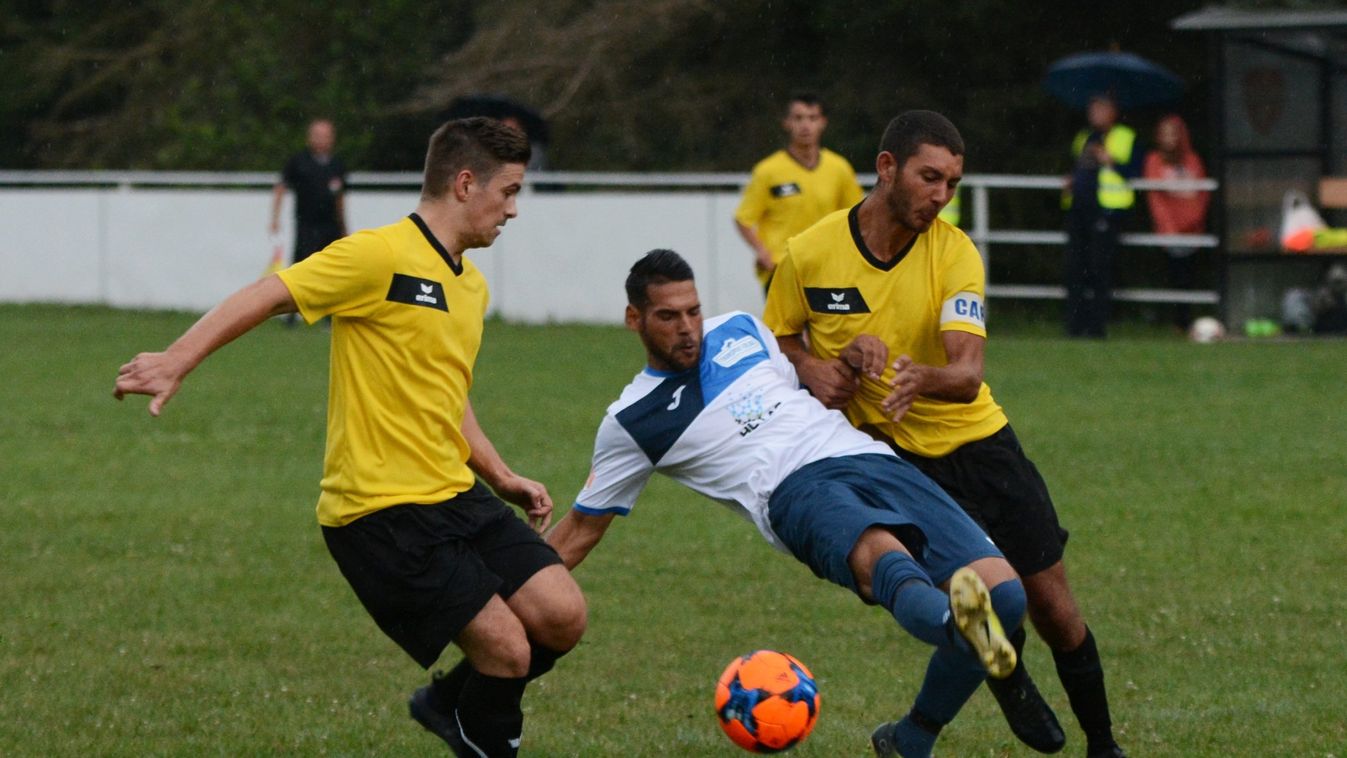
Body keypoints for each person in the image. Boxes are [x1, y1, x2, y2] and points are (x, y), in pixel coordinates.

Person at [115, 118, 586, 758]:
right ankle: (483, 736)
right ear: (466, 183)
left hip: (454, 495)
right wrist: (176, 359)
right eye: (508, 192)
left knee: (561, 616)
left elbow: (445, 393)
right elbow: (268, 293)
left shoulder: (469, 287)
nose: (513, 210)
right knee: (505, 649)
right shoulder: (379, 255)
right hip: (379, 510)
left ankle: (446, 705)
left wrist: (499, 474)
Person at [549, 249, 1035, 758]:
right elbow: (581, 529)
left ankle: (911, 738)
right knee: (883, 555)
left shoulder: (741, 328)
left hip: (867, 457)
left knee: (1005, 597)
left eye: (692, 310)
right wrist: (519, 588)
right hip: (791, 491)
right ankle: (955, 626)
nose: (688, 328)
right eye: (668, 317)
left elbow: (811, 390)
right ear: (635, 320)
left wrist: (849, 358)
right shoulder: (633, 419)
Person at [763, 110, 1124, 758]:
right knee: (967, 595)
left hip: (979, 448)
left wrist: (920, 377)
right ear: (885, 168)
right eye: (930, 178)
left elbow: (966, 372)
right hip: (896, 464)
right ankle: (984, 686)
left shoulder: (953, 251)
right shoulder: (810, 253)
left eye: (952, 184)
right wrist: (812, 365)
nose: (940, 195)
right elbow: (779, 339)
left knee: (1053, 607)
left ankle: (1102, 744)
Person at [734, 91, 863, 293]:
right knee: (785, 327)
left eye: (812, 118)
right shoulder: (768, 170)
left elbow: (856, 216)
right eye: (798, 118)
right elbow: (743, 218)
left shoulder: (839, 168)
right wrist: (763, 253)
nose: (805, 125)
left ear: (823, 122)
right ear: (786, 123)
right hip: (782, 269)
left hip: (826, 271)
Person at [1062, 94, 1138, 339]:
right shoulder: (1084, 137)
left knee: (1099, 269)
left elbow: (1134, 172)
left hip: (1107, 209)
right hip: (1079, 209)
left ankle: (1097, 327)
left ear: (1113, 111)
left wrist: (1109, 160)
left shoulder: (1126, 137)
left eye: (1101, 108)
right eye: (1092, 107)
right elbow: (1078, 167)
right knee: (1075, 268)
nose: (1094, 112)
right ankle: (1075, 327)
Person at [270, 119, 349, 324]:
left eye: (326, 135)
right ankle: (290, 315)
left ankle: (328, 314)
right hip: (306, 224)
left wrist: (343, 226)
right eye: (318, 135)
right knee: (300, 267)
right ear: (309, 138)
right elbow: (280, 188)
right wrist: (275, 219)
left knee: (332, 269)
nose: (322, 140)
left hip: (330, 225)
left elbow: (340, 197)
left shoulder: (337, 164)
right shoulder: (298, 162)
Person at [1143, 114, 1210, 330]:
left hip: (1192, 231)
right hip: (1168, 232)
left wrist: (1194, 222)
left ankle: (1185, 320)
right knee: (1171, 276)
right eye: (1164, 134)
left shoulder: (1193, 160)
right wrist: (1168, 227)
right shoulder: (1154, 160)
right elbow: (1155, 198)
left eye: (1173, 134)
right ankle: (1169, 320)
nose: (1169, 138)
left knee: (1188, 277)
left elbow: (1202, 194)